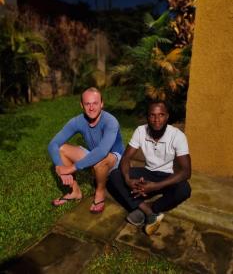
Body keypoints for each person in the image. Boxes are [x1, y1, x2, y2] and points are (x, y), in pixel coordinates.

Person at [108, 100, 191, 235]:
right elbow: (126, 158)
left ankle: (148, 207)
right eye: (152, 115)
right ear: (147, 117)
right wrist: (128, 180)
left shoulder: (177, 136)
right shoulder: (141, 131)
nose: (156, 119)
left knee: (184, 189)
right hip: (147, 173)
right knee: (115, 175)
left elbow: (186, 171)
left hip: (166, 176)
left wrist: (156, 186)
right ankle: (149, 212)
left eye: (161, 115)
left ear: (167, 116)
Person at [48, 87, 124, 213]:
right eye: (87, 104)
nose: (91, 108)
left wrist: (72, 168)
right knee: (61, 149)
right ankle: (75, 191)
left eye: (95, 103)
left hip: (115, 160)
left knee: (101, 159)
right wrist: (59, 166)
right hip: (95, 156)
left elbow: (102, 151)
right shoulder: (77, 121)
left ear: (102, 104)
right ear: (81, 105)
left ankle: (100, 192)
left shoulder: (111, 121)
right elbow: (53, 144)